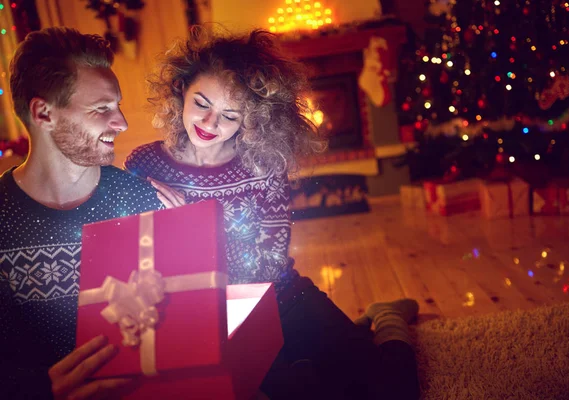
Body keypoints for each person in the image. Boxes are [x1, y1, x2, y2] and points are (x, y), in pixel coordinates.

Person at [125, 28, 420, 400]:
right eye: (202, 103)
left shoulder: (265, 165)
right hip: (196, 318)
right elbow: (138, 263)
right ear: (181, 89)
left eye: (230, 115)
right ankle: (355, 332)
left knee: (394, 392)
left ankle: (387, 319)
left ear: (252, 119)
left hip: (280, 298)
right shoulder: (142, 163)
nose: (210, 123)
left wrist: (191, 226)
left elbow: (266, 266)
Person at [0, 27, 164, 399]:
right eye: (102, 108)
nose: (121, 122)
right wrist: (40, 390)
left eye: (118, 106)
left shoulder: (140, 197)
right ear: (43, 113)